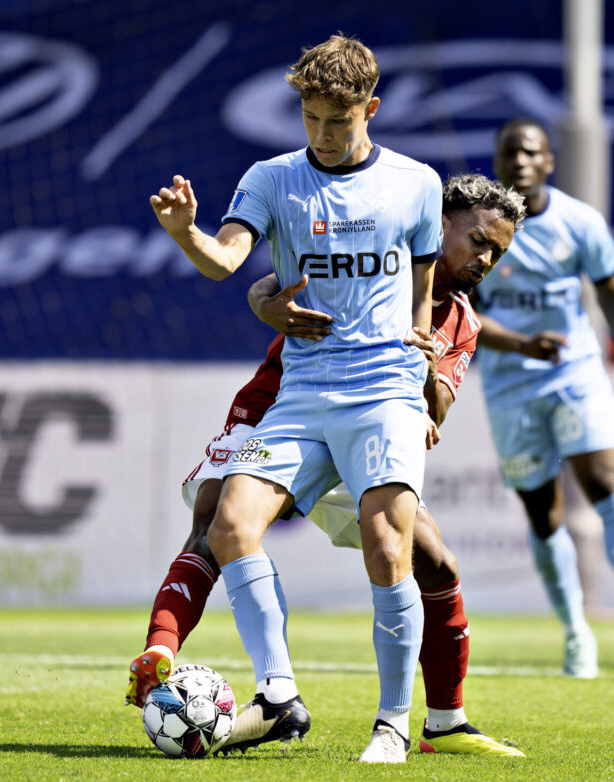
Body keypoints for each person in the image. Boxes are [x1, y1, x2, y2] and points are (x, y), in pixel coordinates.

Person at [129, 174, 529, 759]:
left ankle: (444, 722)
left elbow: (437, 404)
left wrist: (424, 367)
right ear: (439, 225)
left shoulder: (460, 320)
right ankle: (162, 652)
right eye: (478, 241)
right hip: (284, 404)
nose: (486, 258)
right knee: (219, 520)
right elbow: (267, 285)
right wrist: (267, 303)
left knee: (434, 560)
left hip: (371, 427)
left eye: (499, 250)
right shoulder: (378, 257)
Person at [149, 34, 443, 763]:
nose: (322, 135)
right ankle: (278, 693)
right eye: (310, 119)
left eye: (338, 122)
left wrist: (422, 343)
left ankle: (392, 723)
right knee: (229, 520)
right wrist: (188, 234)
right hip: (301, 393)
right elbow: (226, 261)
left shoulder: (416, 182)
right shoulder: (271, 178)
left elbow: (426, 285)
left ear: (370, 108)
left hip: (383, 393)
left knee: (386, 545)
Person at [472, 117, 614, 678]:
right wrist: (519, 342)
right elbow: (461, 313)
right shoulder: (477, 229)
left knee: (608, 486)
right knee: (543, 514)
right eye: (509, 152)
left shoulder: (579, 221)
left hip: (576, 374)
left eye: (531, 152)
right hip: (509, 385)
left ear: (549, 162)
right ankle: (576, 635)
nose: (519, 160)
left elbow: (612, 296)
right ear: (497, 162)